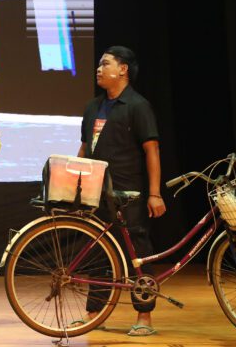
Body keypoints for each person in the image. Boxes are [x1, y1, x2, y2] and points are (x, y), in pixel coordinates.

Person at [77, 46, 166, 337]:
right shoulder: (92, 107)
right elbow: (84, 148)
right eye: (99, 65)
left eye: (105, 64)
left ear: (123, 69)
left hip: (129, 193)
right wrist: (74, 180)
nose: (98, 69)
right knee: (97, 252)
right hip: (95, 191)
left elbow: (151, 150)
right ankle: (95, 314)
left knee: (139, 254)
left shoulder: (137, 106)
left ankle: (144, 317)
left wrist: (154, 193)